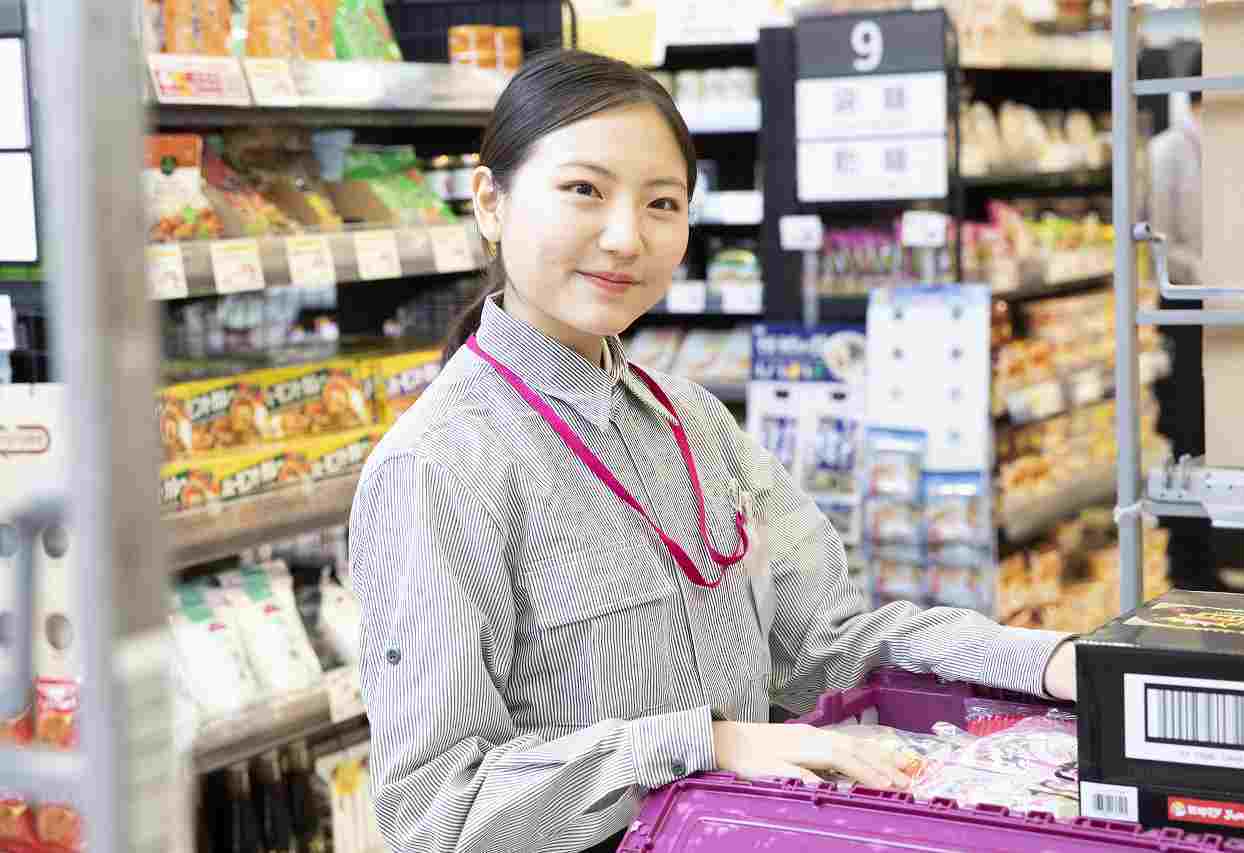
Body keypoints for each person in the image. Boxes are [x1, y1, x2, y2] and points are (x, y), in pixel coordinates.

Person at [349, 49, 1078, 853]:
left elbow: (828, 644)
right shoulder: (437, 468)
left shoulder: (693, 421)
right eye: (584, 190)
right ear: (490, 201)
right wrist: (708, 743)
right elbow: (439, 811)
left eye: (662, 203)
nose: (625, 236)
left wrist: (1054, 662)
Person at [1147, 46, 1244, 593]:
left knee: (1224, 432)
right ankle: (1190, 567)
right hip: (1186, 313)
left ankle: (1215, 559)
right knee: (1189, 432)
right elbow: (1160, 243)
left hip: (1231, 311)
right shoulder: (1168, 151)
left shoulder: (1238, 151)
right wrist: (1208, 270)